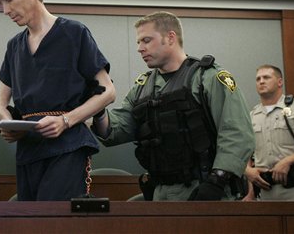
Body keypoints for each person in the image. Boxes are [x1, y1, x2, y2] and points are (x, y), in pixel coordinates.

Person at [92, 11, 255, 201]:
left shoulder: (207, 78)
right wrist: (98, 107)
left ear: (170, 38)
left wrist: (216, 182)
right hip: (160, 193)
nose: (139, 48)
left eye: (146, 40)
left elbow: (237, 134)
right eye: (138, 42)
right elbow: (114, 131)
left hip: (208, 191)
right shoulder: (143, 87)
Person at [0, 0, 115, 201]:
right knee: (30, 222)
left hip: (68, 145)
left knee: (55, 222)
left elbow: (108, 92)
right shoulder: (14, 46)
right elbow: (0, 102)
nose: (5, 10)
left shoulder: (75, 33)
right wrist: (9, 123)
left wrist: (65, 121)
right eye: (0, 3)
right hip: (28, 148)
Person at [243, 65, 294, 201]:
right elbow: (248, 154)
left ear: (280, 82)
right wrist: (249, 175)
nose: (261, 81)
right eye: (258, 79)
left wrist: (288, 161)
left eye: (266, 77)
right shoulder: (251, 116)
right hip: (265, 191)